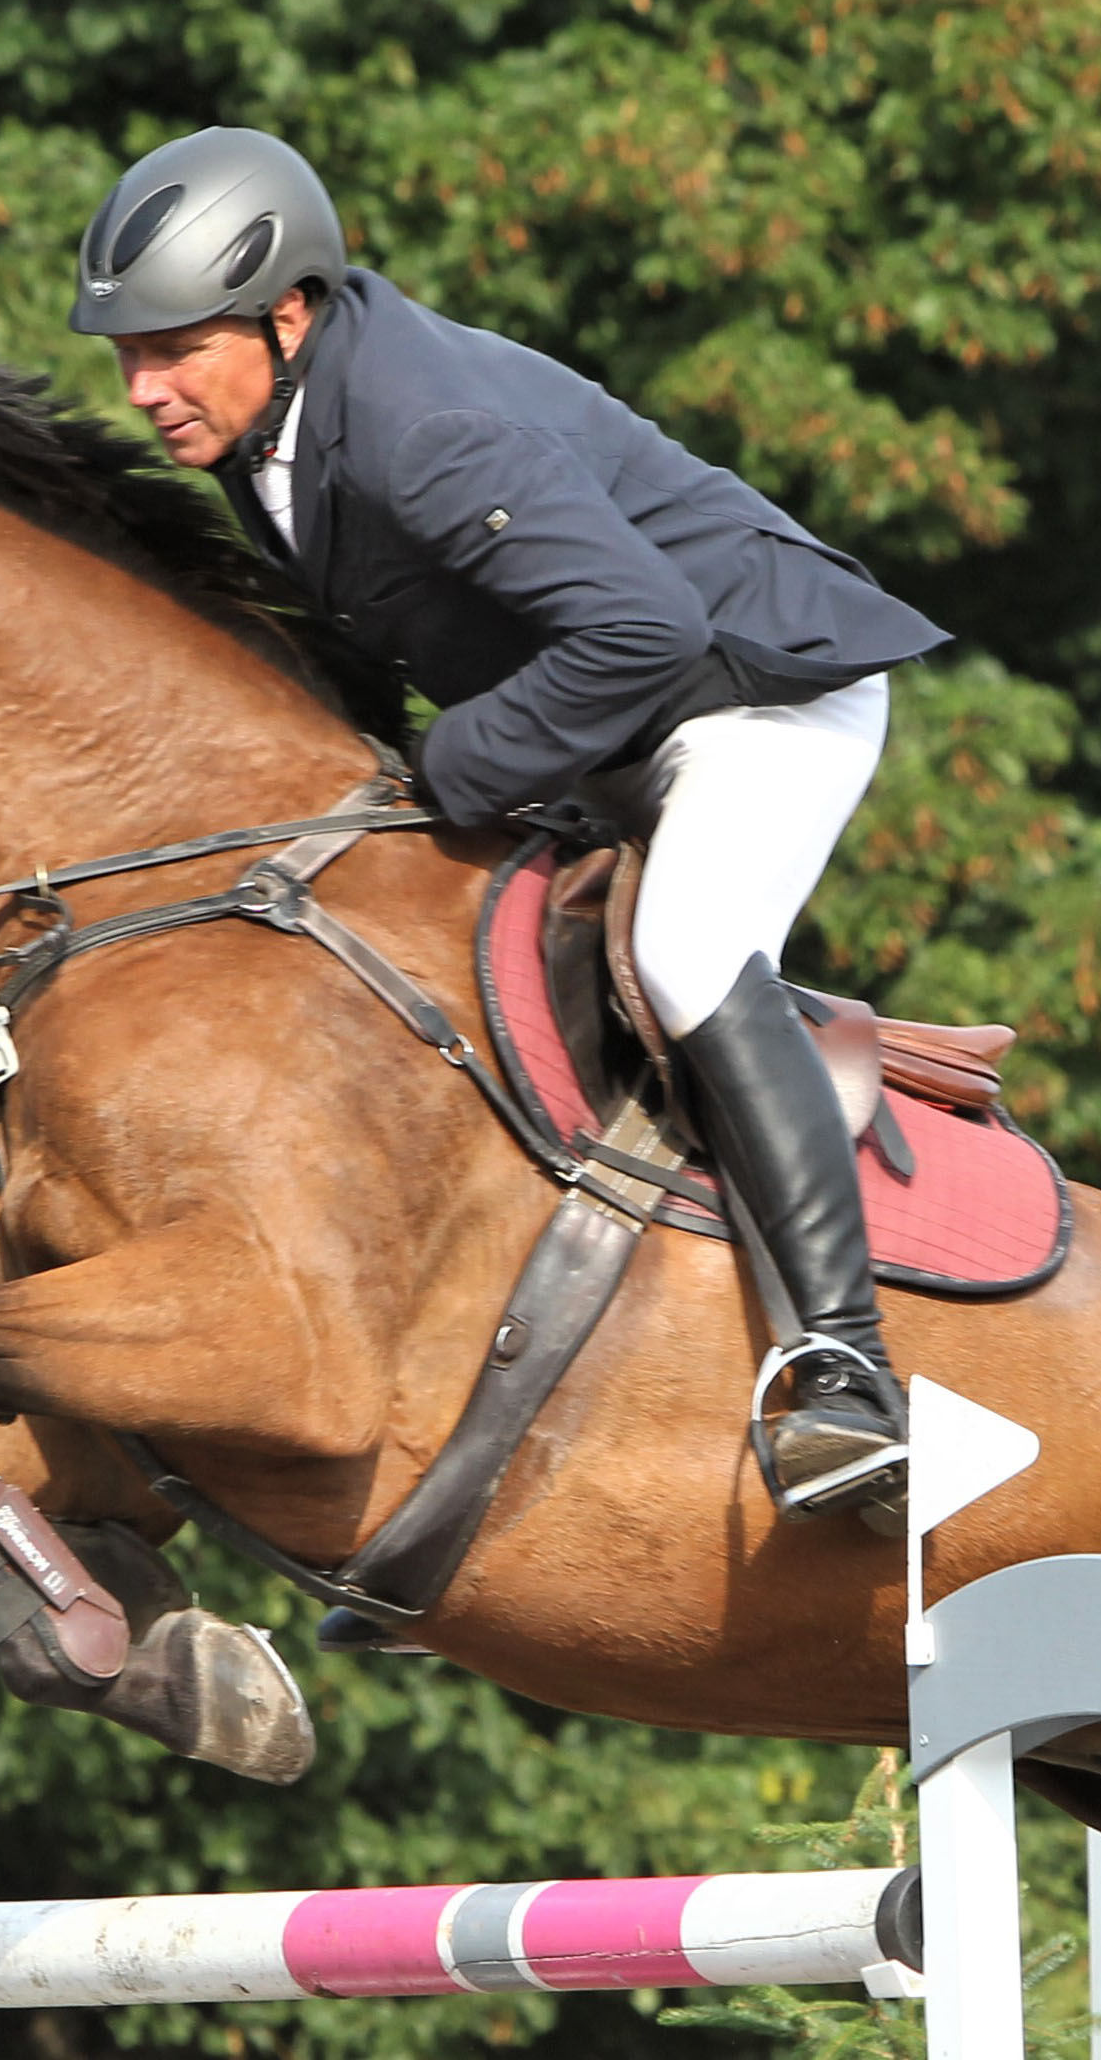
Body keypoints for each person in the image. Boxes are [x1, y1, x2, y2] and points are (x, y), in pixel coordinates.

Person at [72, 127, 956, 1533]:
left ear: (282, 312)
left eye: (172, 348)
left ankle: (844, 1369)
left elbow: (644, 629)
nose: (143, 388)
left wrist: (445, 765)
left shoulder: (422, 430)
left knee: (681, 950)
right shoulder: (271, 424)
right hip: (608, 719)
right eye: (125, 355)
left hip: (755, 697)